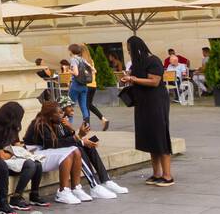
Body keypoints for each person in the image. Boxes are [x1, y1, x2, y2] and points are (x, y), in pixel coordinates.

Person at [120, 35, 174, 186]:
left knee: (160, 136)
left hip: (156, 102)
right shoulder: (137, 63)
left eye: (130, 49)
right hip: (143, 103)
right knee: (150, 137)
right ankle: (156, 174)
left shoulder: (153, 60)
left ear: (137, 48)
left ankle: (168, 175)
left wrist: (133, 79)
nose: (129, 52)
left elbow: (154, 81)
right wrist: (127, 77)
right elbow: (134, 77)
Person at [58, 98, 125, 197]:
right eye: (69, 107)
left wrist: (83, 140)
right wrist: (80, 140)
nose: (72, 109)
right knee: (79, 149)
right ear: (62, 109)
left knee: (90, 146)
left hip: (68, 145)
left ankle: (106, 180)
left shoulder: (65, 120)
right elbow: (63, 142)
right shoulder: (58, 123)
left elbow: (71, 138)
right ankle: (94, 186)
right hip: (60, 149)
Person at [23, 100, 86, 204]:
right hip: (35, 155)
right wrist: (77, 137)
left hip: (44, 152)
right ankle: (63, 191)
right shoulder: (40, 124)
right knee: (66, 154)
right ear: (51, 115)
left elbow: (63, 140)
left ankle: (76, 188)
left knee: (75, 150)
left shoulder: (53, 123)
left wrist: (71, 130)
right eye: (60, 113)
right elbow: (52, 144)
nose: (62, 115)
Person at [0, 101, 46, 211]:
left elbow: (16, 144)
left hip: (11, 156)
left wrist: (26, 152)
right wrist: (13, 153)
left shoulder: (12, 128)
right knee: (30, 165)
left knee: (37, 163)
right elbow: (0, 155)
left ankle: (34, 194)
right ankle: (16, 197)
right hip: (1, 160)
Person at [67, 43, 93, 125]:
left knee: (70, 106)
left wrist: (69, 71)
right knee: (84, 106)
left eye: (69, 50)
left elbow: (76, 73)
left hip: (76, 85)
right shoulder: (82, 59)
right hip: (84, 86)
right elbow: (93, 69)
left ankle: (69, 126)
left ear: (71, 51)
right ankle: (87, 125)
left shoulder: (73, 59)